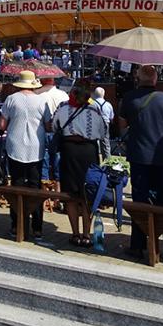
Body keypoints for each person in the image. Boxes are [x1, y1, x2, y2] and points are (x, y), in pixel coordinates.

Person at [118, 65, 163, 261]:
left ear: (138, 78)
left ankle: (137, 246)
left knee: (140, 201)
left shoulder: (129, 98)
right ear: (155, 79)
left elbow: (121, 126)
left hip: (139, 157)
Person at [51, 78, 106, 247]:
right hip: (88, 151)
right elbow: (102, 132)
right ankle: (87, 234)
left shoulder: (63, 107)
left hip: (69, 151)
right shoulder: (95, 109)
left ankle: (75, 234)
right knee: (87, 194)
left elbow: (54, 126)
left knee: (71, 195)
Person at [0, 70, 48, 239]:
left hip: (15, 145)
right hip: (36, 146)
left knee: (17, 184)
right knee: (35, 186)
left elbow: (2, 125)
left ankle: (16, 223)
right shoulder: (41, 100)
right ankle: (37, 227)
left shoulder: (11, 99)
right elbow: (48, 125)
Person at [38, 76, 69, 182]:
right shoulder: (63, 94)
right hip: (58, 131)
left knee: (43, 161)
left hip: (41, 130)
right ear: (53, 81)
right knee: (57, 160)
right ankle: (57, 187)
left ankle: (44, 189)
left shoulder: (37, 94)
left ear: (42, 80)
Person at [92, 86, 114, 159]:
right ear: (104, 94)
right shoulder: (108, 104)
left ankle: (94, 160)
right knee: (105, 143)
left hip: (94, 123)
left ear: (95, 94)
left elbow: (87, 100)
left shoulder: (92, 102)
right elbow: (111, 118)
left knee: (93, 142)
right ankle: (107, 161)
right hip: (105, 123)